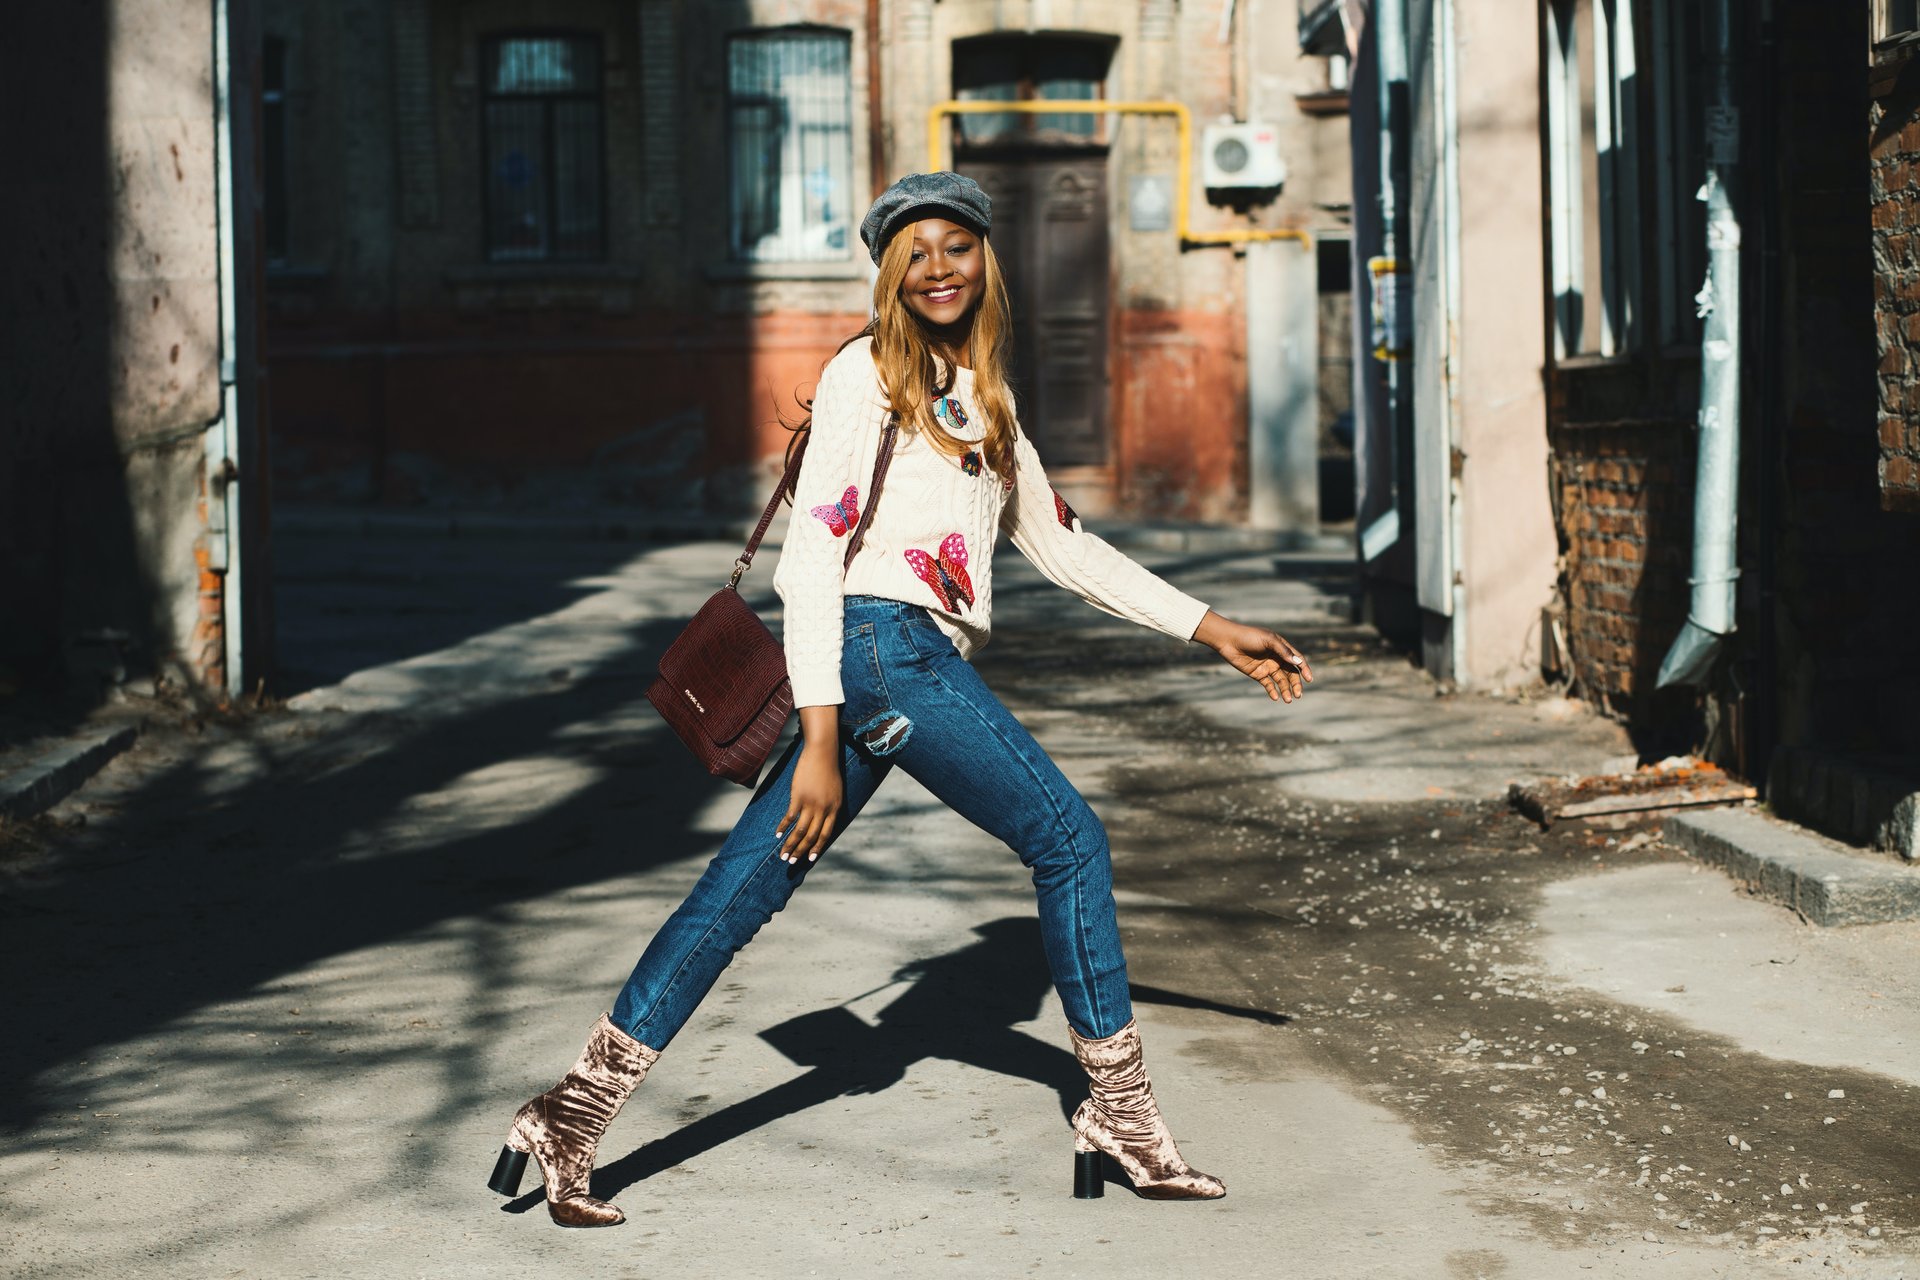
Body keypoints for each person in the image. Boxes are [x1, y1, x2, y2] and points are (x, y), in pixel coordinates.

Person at [486, 172, 1314, 1227]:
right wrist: (822, 734)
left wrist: (1213, 627)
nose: (936, 268)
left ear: (984, 259)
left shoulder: (980, 393)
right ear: (889, 272)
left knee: (740, 892)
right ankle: (1122, 1112)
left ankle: (570, 1113)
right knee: (1069, 840)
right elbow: (811, 558)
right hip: (884, 655)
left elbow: (1064, 545)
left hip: (891, 659)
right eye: (912, 252)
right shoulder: (866, 375)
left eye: (955, 247)